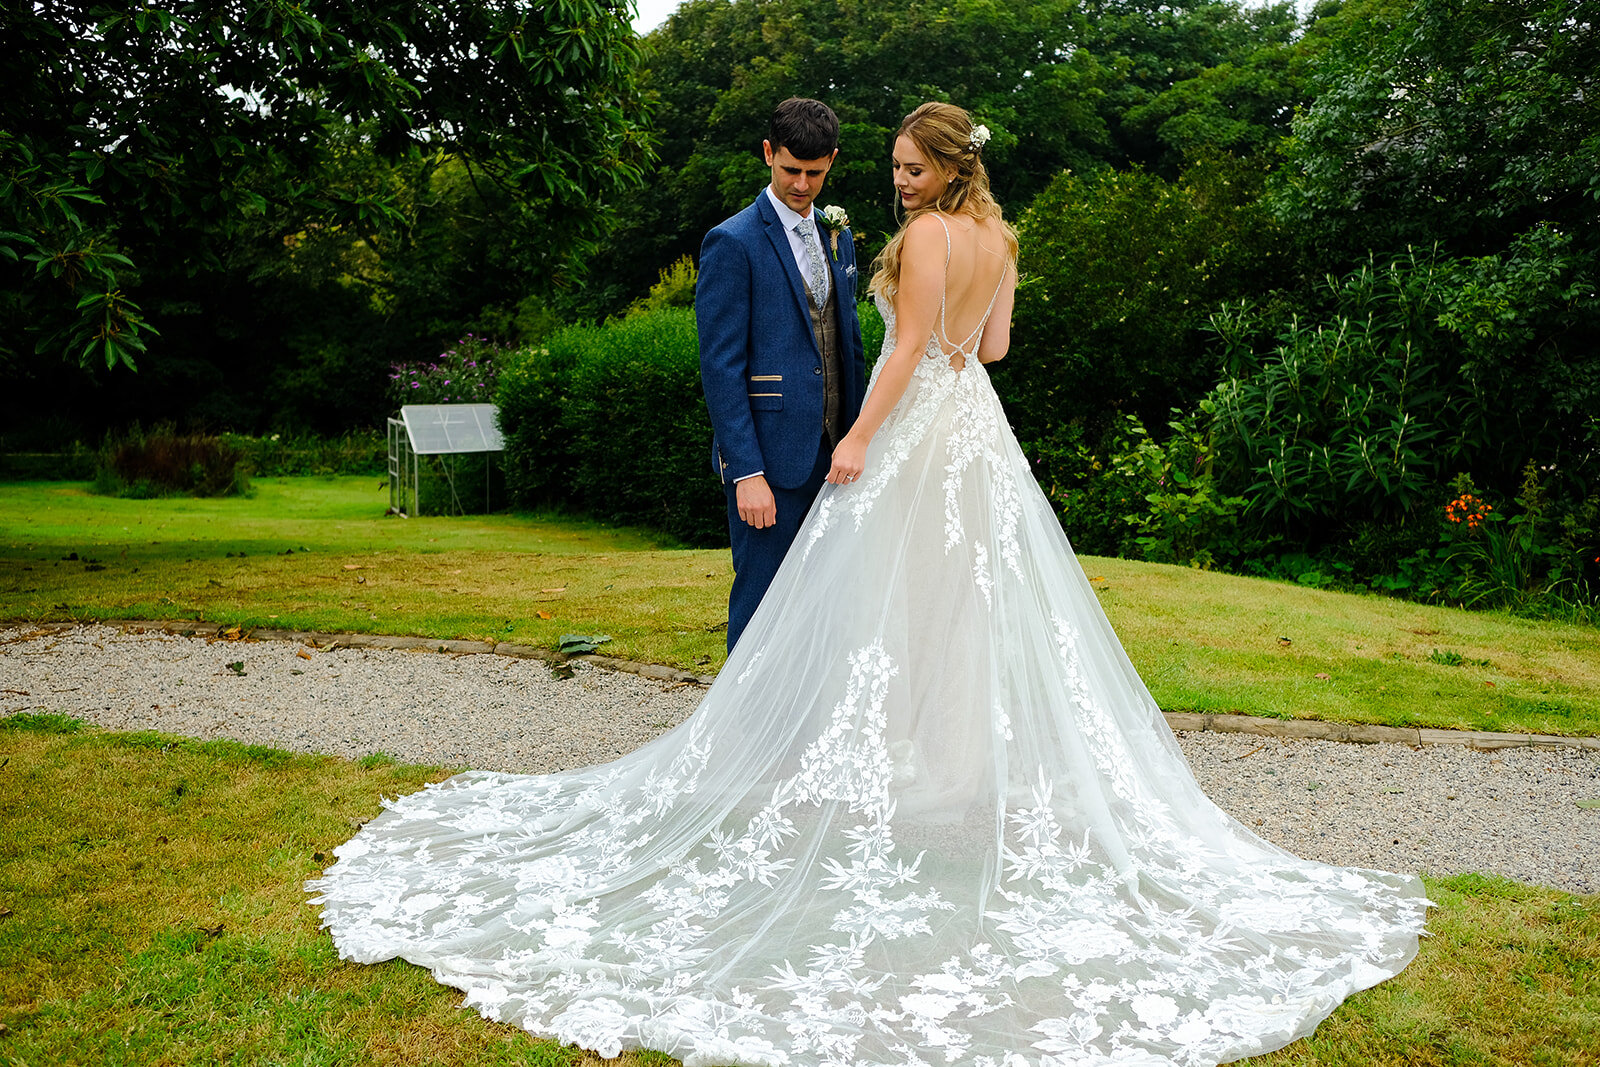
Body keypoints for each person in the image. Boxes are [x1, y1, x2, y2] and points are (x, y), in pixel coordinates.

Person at [308, 102, 1427, 1067]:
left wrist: (858, 442)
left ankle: (900, 771)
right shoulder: (1001, 233)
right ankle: (940, 772)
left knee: (888, 604)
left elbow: (904, 356)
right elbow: (989, 351)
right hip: (979, 440)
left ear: (947, 167)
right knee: (964, 613)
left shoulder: (934, 234)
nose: (894, 182)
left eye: (908, 167)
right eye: (888, 169)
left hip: (912, 436)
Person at [696, 97, 867, 652]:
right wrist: (744, 470)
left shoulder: (837, 235)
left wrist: (861, 437)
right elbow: (722, 366)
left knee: (830, 602)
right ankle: (741, 735)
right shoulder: (732, 241)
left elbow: (848, 346)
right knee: (762, 603)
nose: (801, 184)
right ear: (768, 154)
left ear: (832, 162)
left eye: (814, 173)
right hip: (767, 460)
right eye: (791, 169)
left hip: (836, 454)